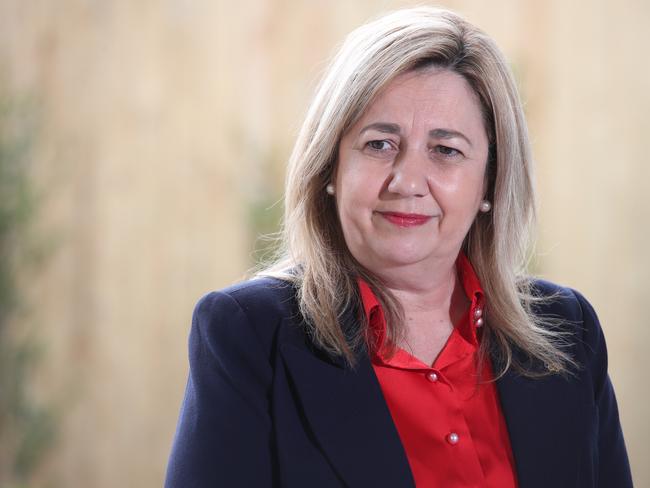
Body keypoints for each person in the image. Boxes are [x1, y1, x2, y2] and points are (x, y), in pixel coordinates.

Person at [165, 7, 632, 488]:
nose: (407, 181)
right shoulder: (249, 336)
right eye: (379, 144)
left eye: (446, 150)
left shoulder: (568, 330)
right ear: (330, 166)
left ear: (490, 181)